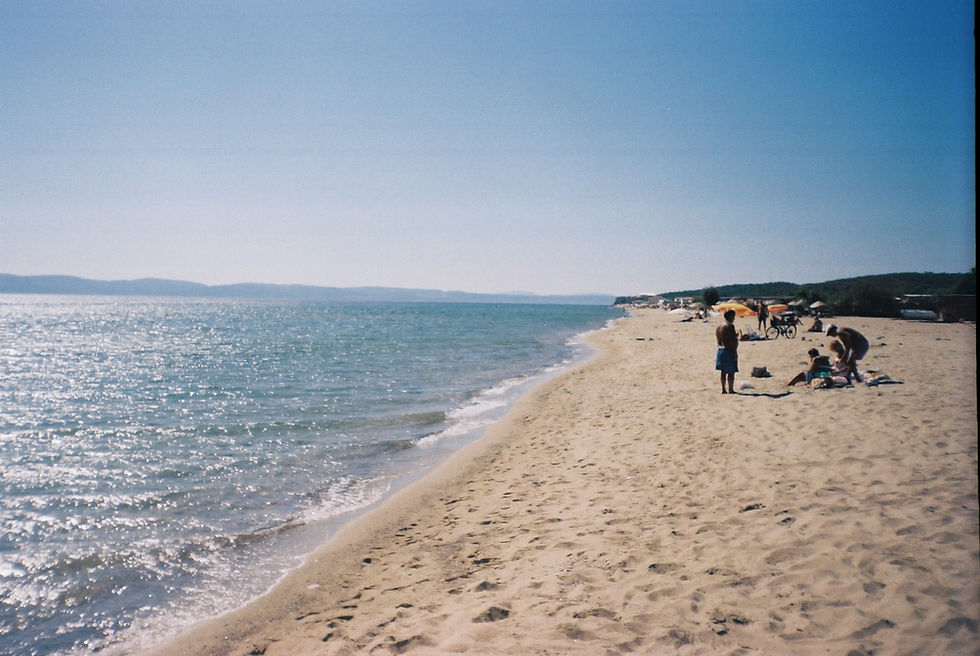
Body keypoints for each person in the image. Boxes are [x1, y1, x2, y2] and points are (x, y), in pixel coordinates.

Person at [715, 309, 739, 394]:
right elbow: (732, 341)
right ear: (729, 316)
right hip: (728, 350)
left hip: (720, 350)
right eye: (733, 316)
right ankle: (731, 389)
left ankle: (723, 389)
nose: (734, 318)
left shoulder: (719, 326)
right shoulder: (730, 326)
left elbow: (718, 339)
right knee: (731, 372)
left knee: (723, 372)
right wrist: (735, 352)